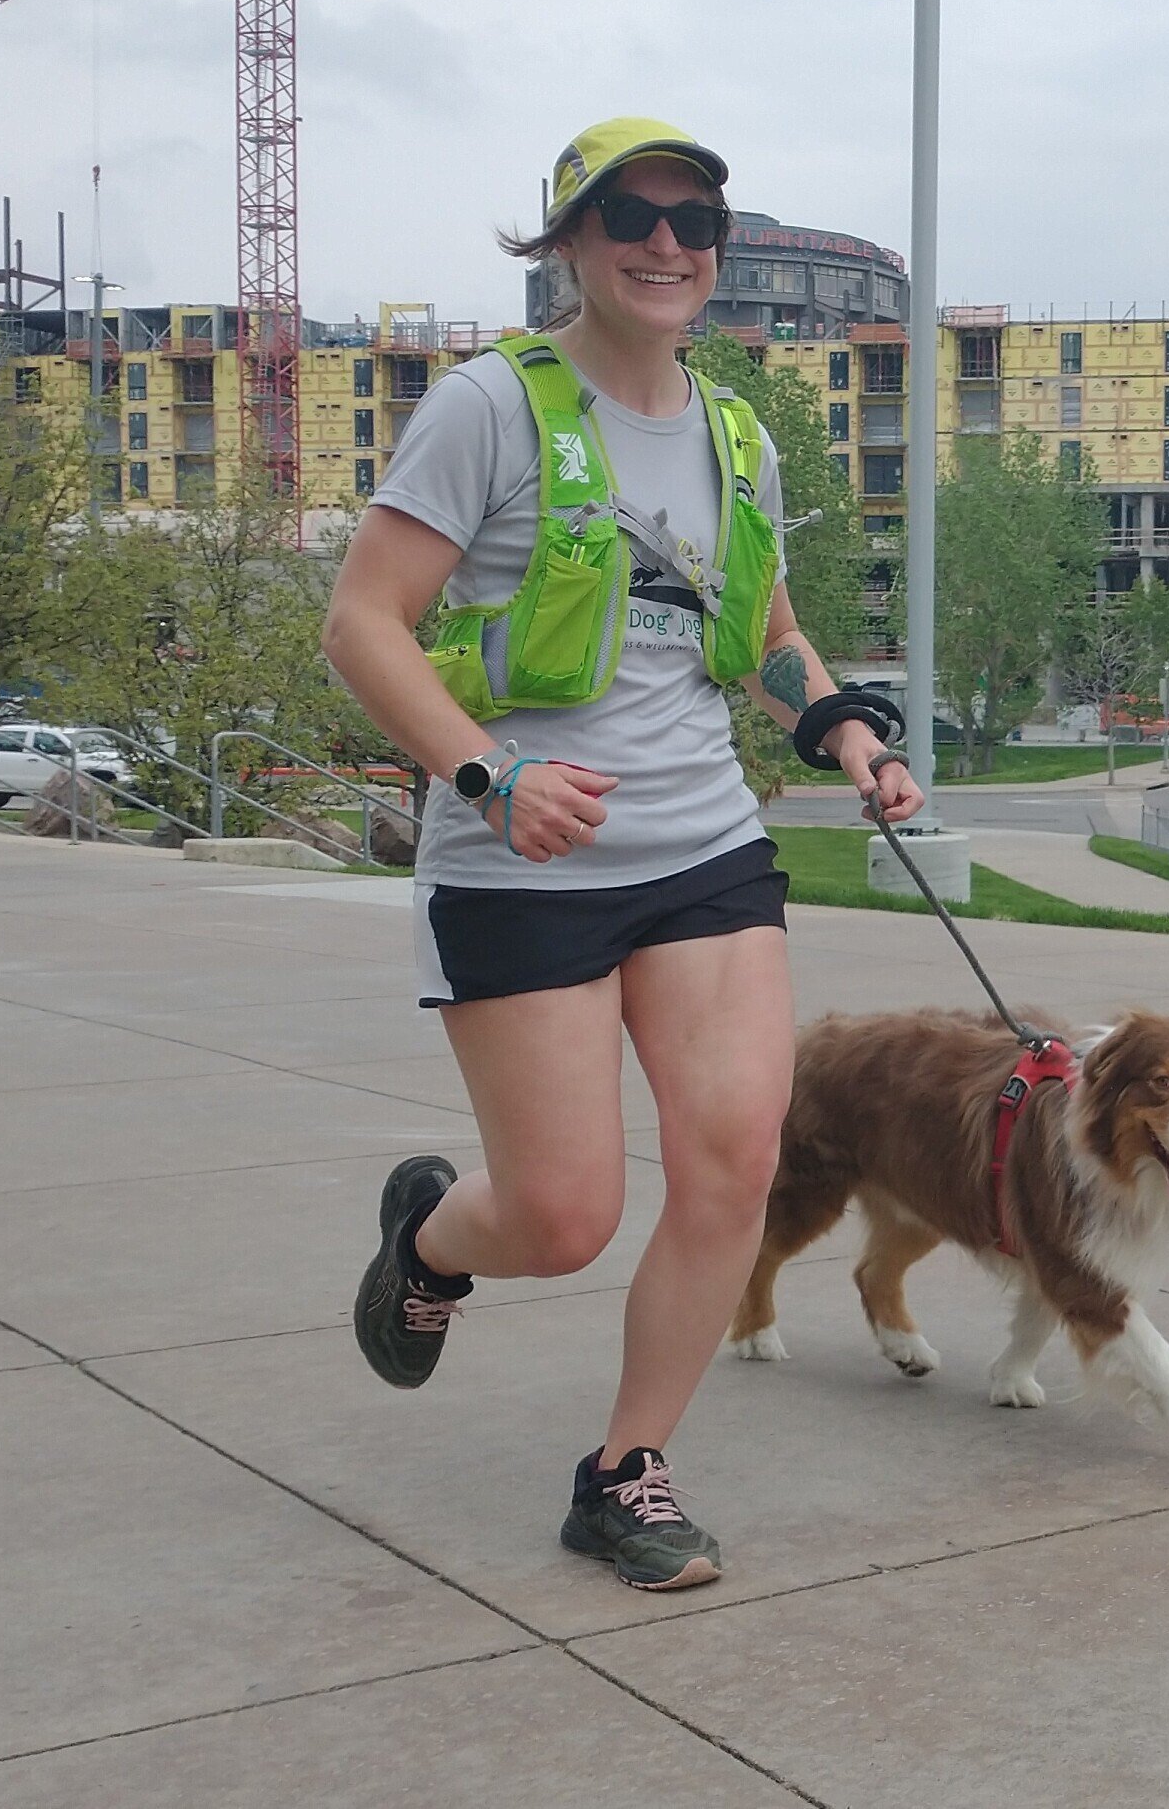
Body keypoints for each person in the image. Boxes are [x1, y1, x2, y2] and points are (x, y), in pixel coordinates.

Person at [322, 117, 923, 1592]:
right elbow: (362, 624)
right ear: (571, 246)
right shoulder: (487, 409)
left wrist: (845, 728)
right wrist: (487, 771)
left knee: (731, 1164)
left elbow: (765, 632)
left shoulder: (737, 434)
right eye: (631, 217)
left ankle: (626, 1472)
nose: (667, 246)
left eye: (696, 225)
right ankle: (436, 1241)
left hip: (704, 850)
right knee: (565, 1214)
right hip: (516, 859)